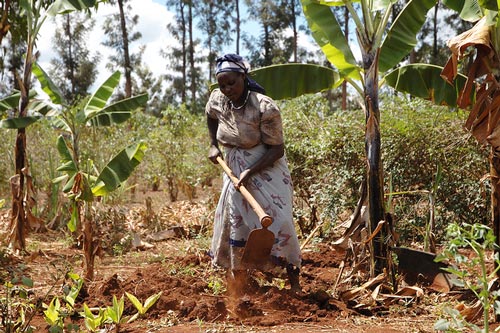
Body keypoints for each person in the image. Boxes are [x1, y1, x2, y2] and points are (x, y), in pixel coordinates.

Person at [205, 54, 301, 292]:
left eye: (232, 83)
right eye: (222, 84)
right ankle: (240, 281)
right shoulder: (217, 99)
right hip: (234, 169)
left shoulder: (264, 106)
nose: (227, 89)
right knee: (237, 222)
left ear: (244, 77)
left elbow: (277, 149)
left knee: (281, 222)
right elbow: (210, 116)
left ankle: (293, 280)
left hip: (266, 167)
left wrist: (250, 170)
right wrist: (213, 144)